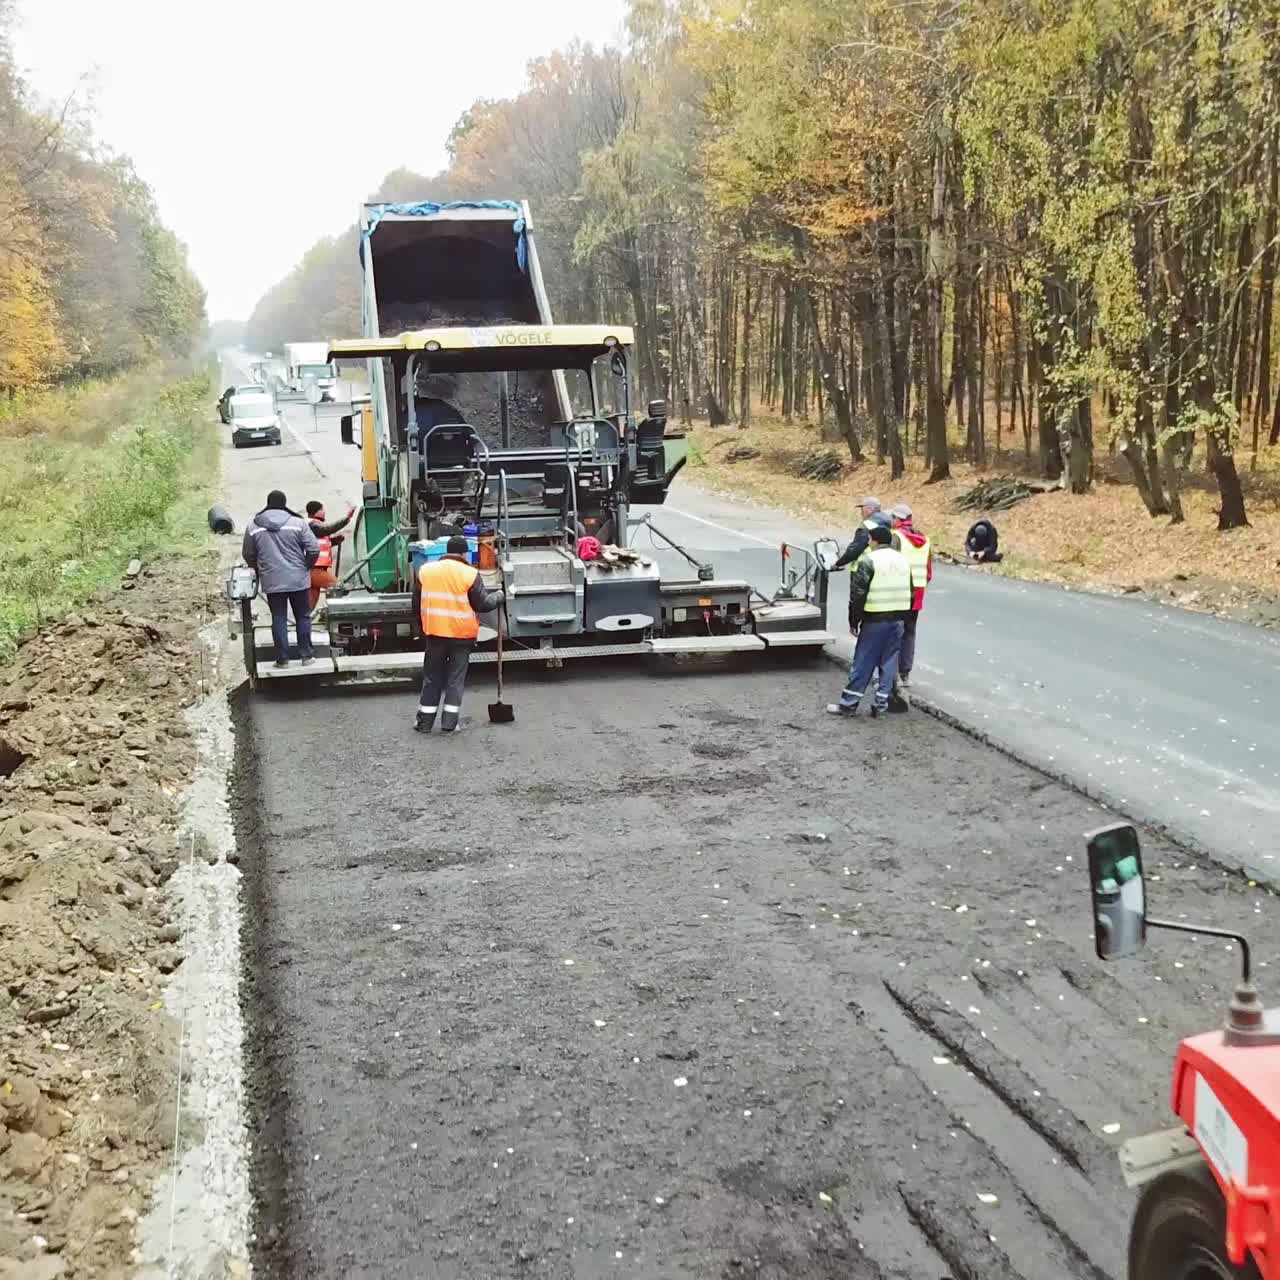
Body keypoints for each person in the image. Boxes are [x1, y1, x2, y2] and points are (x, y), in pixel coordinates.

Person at [412, 535, 505, 733]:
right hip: (461, 637)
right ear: (464, 553)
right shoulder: (470, 574)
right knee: (455, 680)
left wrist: (423, 630)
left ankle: (424, 724)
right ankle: (449, 724)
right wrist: (499, 596)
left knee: (431, 679)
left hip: (435, 634)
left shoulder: (426, 571)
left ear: (447, 551)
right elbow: (483, 604)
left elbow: (416, 606)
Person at [827, 524, 912, 719]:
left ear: (873, 541)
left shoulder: (868, 560)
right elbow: (911, 589)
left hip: (875, 619)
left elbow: (858, 595)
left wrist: (853, 620)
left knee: (863, 662)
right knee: (889, 661)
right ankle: (881, 704)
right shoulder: (903, 561)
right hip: (898, 619)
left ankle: (848, 705)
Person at [242, 490, 319, 668]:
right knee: (303, 617)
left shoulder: (254, 526)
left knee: (278, 617)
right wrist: (306, 566)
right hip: (298, 579)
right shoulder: (298, 523)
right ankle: (307, 656)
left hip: (272, 579)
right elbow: (313, 549)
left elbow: (248, 553)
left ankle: (282, 659)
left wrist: (260, 569)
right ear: (284, 503)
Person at [888, 503, 933, 710]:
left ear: (897, 520)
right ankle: (905, 673)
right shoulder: (924, 540)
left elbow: (889, 563)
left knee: (894, 632)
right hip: (917, 594)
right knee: (909, 633)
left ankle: (893, 675)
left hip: (899, 592)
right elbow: (928, 571)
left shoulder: (896, 537)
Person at [305, 500, 357, 611]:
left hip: (315, 571)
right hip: (315, 571)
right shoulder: (311, 525)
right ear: (315, 512)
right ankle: (331, 614)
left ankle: (304, 625)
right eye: (321, 510)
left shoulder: (315, 526)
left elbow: (319, 544)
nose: (324, 512)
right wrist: (347, 518)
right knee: (338, 587)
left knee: (308, 608)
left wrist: (334, 541)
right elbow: (327, 530)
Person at [832, 496, 888, 570]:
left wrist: (838, 563)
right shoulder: (887, 521)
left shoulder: (867, 525)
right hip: (886, 564)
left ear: (869, 509)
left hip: (867, 565)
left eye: (863, 509)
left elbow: (855, 549)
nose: (861, 513)